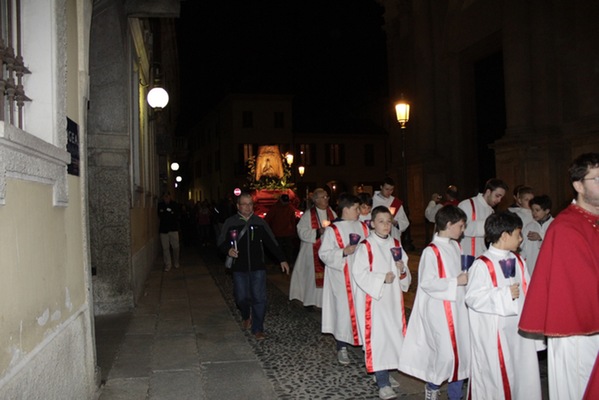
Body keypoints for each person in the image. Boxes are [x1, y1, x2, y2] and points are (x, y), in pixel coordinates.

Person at [519, 152, 599, 400]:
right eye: (597, 179)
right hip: (576, 330)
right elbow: (578, 285)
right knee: (578, 388)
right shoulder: (566, 226)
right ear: (578, 185)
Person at [465, 211, 543, 399]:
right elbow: (472, 297)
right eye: (518, 234)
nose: (521, 239)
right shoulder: (482, 264)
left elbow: (528, 289)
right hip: (495, 333)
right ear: (505, 235)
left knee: (523, 374)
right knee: (499, 378)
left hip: (518, 331)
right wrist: (504, 295)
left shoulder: (518, 260)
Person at [399, 205, 470, 400]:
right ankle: (433, 385)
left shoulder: (456, 246)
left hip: (458, 307)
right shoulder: (432, 251)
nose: (463, 230)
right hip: (439, 309)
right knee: (446, 353)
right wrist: (455, 281)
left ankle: (455, 395)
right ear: (449, 224)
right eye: (461, 226)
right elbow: (427, 282)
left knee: (462, 351)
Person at [352, 206, 412, 400]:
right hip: (374, 301)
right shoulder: (366, 246)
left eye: (388, 221)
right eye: (381, 221)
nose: (386, 225)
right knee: (379, 339)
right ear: (372, 223)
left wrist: (402, 270)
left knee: (393, 337)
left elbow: (405, 274)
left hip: (392, 300)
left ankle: (383, 373)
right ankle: (383, 382)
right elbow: (359, 273)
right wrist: (381, 278)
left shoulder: (396, 243)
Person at [217, 192, 290, 340]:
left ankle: (258, 328)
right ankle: (246, 315)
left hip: (258, 267)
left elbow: (271, 241)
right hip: (239, 267)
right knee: (241, 297)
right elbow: (220, 242)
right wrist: (228, 250)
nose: (247, 207)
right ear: (238, 206)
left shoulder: (259, 222)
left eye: (250, 204)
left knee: (259, 298)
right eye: (244, 204)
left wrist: (282, 259)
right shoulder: (231, 222)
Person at [318, 193, 369, 366]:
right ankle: (342, 347)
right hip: (341, 277)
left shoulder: (362, 227)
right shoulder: (333, 230)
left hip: (361, 276)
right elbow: (324, 254)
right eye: (356, 208)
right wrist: (343, 252)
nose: (359, 212)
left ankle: (366, 345)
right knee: (343, 311)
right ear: (345, 209)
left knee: (362, 309)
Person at [289, 188, 337, 309]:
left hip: (328, 250)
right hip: (311, 250)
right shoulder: (308, 215)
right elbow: (301, 231)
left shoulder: (331, 212)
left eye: (327, 197)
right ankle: (310, 300)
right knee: (311, 277)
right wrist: (317, 232)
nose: (326, 199)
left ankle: (324, 302)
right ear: (315, 200)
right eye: (323, 197)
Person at [458, 178, 508, 257]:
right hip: (464, 254)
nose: (499, 200)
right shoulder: (466, 204)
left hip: (480, 253)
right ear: (488, 192)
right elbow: (460, 229)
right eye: (497, 196)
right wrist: (489, 225)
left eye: (501, 198)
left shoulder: (491, 211)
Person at [519, 194, 553, 275]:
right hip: (532, 266)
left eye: (537, 210)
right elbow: (523, 249)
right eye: (532, 210)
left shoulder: (554, 225)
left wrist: (541, 237)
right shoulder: (529, 227)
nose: (534, 213)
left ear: (547, 211)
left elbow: (559, 244)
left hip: (550, 266)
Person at [264, 194, 298, 269]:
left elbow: (292, 220)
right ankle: (281, 263)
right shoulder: (277, 208)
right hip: (279, 233)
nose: (285, 203)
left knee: (287, 249)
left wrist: (293, 231)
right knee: (281, 249)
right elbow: (268, 219)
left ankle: (287, 262)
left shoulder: (287, 208)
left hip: (284, 232)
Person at [158, 191, 181, 271]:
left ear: (170, 197)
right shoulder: (160, 205)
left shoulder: (174, 204)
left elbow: (175, 214)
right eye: (165, 196)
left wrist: (168, 211)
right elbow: (161, 215)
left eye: (167, 196)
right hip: (163, 230)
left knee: (176, 247)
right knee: (165, 248)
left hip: (173, 229)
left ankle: (176, 261)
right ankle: (168, 264)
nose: (166, 198)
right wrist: (169, 211)